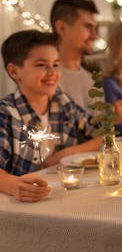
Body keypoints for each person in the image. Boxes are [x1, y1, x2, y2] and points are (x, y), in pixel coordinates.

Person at [0, 30, 101, 202]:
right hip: (25, 208)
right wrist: (14, 185)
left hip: (66, 198)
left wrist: (65, 154)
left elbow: (103, 136)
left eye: (55, 64)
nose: (52, 73)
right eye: (41, 65)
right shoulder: (6, 114)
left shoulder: (62, 102)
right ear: (14, 72)